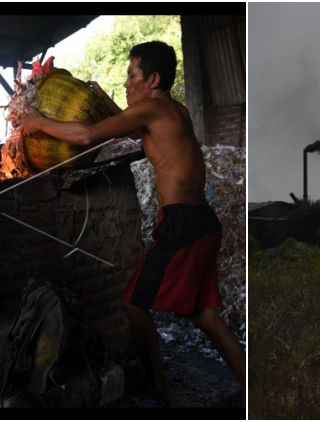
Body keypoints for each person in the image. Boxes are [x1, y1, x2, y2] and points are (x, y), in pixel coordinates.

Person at [18, 41, 245, 407]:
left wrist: (38, 121)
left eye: (131, 75)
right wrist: (107, 101)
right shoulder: (174, 111)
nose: (126, 82)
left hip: (182, 225)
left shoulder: (154, 110)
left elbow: (88, 135)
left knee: (133, 304)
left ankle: (157, 390)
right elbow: (134, 128)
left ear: (153, 79)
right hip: (204, 222)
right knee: (207, 318)